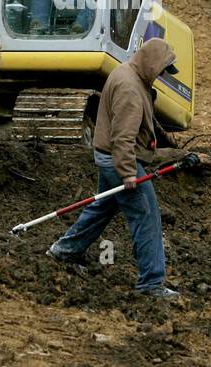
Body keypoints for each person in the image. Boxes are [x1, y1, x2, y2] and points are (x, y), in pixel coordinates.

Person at [47, 37, 187, 299]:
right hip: (120, 161)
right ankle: (151, 283)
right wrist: (128, 173)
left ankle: (64, 250)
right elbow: (123, 138)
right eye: (161, 71)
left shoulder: (127, 73)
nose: (161, 77)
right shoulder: (130, 90)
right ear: (152, 64)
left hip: (108, 158)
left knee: (102, 207)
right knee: (147, 218)